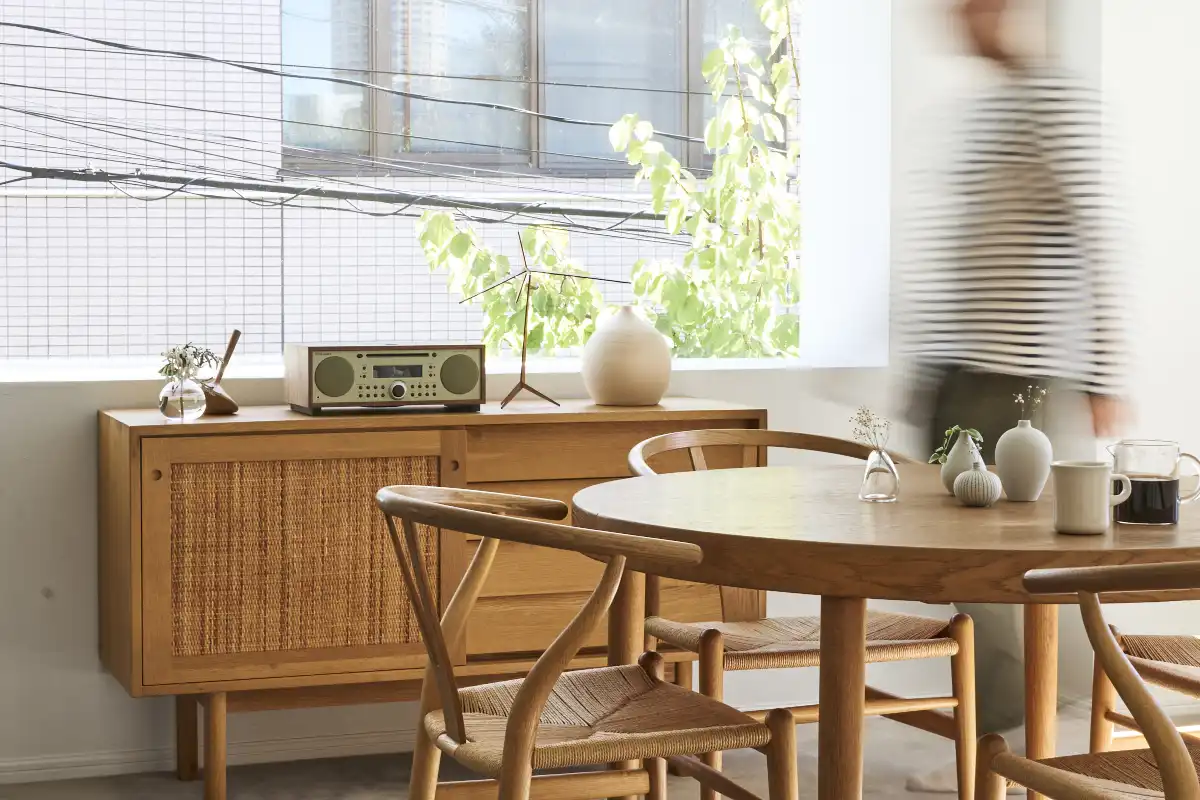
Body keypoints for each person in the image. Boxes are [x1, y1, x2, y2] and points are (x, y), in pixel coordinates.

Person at [898, 0, 1131, 739]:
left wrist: (1101, 370)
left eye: (972, 7)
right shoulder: (990, 106)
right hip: (962, 372)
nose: (958, 22)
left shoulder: (1053, 98)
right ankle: (1024, 729)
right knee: (956, 553)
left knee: (991, 562)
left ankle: (1006, 741)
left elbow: (1094, 233)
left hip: (1015, 379)